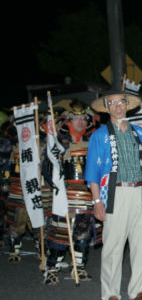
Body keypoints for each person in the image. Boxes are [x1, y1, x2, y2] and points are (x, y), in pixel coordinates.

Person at [85, 91, 142, 300]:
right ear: (106, 108)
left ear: (127, 106)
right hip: (114, 193)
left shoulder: (140, 133)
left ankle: (137, 290)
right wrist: (97, 202)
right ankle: (111, 293)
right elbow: (93, 172)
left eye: (121, 102)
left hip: (141, 192)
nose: (117, 106)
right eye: (111, 103)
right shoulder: (99, 136)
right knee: (113, 245)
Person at [43, 100, 100, 285]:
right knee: (60, 233)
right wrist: (57, 186)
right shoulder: (59, 142)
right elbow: (47, 167)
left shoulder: (93, 141)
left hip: (86, 194)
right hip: (65, 194)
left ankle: (79, 267)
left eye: (84, 118)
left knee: (83, 234)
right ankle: (52, 269)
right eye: (77, 118)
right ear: (69, 121)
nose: (81, 122)